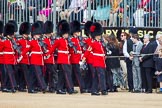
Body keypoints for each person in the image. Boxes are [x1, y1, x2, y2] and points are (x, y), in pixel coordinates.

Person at [47, 20, 77, 94]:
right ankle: (70, 89)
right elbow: (53, 48)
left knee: (62, 75)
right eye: (66, 33)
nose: (67, 35)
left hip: (67, 59)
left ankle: (59, 88)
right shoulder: (59, 40)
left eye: (67, 33)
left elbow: (70, 50)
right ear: (63, 34)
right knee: (67, 74)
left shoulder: (67, 41)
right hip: (62, 59)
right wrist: (48, 54)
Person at [89, 22, 108, 95]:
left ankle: (94, 90)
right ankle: (103, 90)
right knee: (101, 75)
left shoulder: (100, 43)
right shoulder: (93, 43)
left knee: (97, 77)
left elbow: (103, 51)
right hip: (97, 62)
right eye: (99, 35)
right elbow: (88, 51)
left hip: (101, 61)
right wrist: (83, 59)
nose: (100, 36)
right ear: (96, 35)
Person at [0, 22, 17, 93]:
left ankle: (5, 87)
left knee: (8, 73)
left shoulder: (12, 41)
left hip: (12, 59)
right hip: (6, 59)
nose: (13, 35)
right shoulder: (4, 41)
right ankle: (13, 86)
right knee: (10, 73)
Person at [43, 20, 58, 93]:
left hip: (52, 59)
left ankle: (51, 87)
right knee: (50, 73)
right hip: (47, 59)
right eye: (48, 33)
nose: (49, 34)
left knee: (51, 73)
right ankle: (49, 87)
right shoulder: (43, 40)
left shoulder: (52, 39)